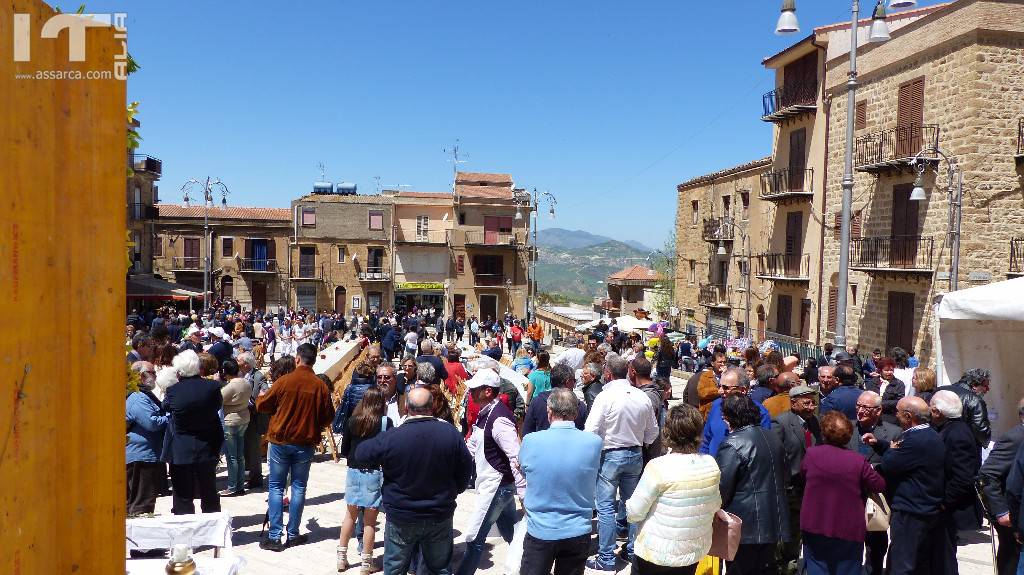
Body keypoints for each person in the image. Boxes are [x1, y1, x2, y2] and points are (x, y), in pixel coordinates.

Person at [355, 387, 474, 575]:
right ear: (432, 407)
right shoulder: (450, 433)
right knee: (439, 569)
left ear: (406, 408)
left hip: (402, 515)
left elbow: (361, 453)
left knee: (395, 569)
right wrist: (454, 490)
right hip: (439, 513)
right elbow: (467, 468)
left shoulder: (393, 437)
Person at [256, 343, 336, 551]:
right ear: (314, 361)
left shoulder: (284, 381)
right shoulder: (320, 386)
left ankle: (275, 536)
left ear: (298, 359)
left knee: (276, 487)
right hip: (305, 443)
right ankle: (293, 533)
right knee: (299, 487)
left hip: (280, 441)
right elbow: (328, 416)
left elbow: (263, 405)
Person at [584, 354, 660, 571]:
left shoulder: (604, 397)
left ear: (607, 374)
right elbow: (652, 433)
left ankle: (606, 557)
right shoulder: (641, 397)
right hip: (635, 454)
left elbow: (591, 431)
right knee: (634, 506)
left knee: (606, 507)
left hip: (610, 455)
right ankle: (632, 551)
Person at [626, 404, 721, 575]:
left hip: (656, 553)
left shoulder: (658, 467)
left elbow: (635, 512)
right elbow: (715, 505)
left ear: (668, 432)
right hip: (691, 551)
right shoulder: (710, 464)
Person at [519, 388, 603, 575]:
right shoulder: (594, 442)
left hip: (541, 530)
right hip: (578, 530)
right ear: (576, 412)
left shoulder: (531, 441)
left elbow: (525, 472)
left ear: (549, 411)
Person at [862, 396, 946, 575]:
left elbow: (890, 465)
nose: (895, 416)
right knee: (919, 561)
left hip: (911, 512)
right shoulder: (930, 434)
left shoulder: (914, 440)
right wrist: (881, 444)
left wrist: (891, 450)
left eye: (897, 412)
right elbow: (901, 455)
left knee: (902, 563)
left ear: (909, 417)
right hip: (924, 510)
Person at [457, 369, 528, 575]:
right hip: (496, 486)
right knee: (513, 534)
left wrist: (523, 492)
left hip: (496, 488)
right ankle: (530, 566)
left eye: (475, 389)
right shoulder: (486, 413)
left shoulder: (499, 419)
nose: (470, 392)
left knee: (474, 537)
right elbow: (473, 446)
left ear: (488, 391)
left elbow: (516, 457)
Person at [800, 412, 886, 575]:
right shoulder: (858, 460)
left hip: (815, 523)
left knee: (817, 566)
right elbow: (879, 485)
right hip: (848, 526)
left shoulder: (812, 455)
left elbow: (804, 475)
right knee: (848, 568)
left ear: (824, 433)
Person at [716, 395, 790, 575]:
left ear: (730, 417)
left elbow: (722, 487)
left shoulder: (732, 444)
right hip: (773, 520)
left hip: (744, 526)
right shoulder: (773, 438)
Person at [338, 386, 394, 573]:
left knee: (350, 516)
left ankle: (341, 557)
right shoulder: (386, 422)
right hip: (374, 473)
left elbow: (344, 449)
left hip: (354, 471)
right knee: (370, 521)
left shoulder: (352, 421)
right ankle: (366, 563)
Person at [160, 350, 223, 515]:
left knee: (182, 495)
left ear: (179, 370)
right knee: (209, 491)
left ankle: (185, 530)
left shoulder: (173, 390)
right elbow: (216, 407)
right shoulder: (213, 387)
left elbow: (166, 407)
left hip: (181, 448)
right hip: (207, 445)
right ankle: (212, 529)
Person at [845, 390, 901, 574]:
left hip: (877, 498)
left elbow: (895, 462)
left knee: (876, 544)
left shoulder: (894, 431)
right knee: (849, 542)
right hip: (850, 495)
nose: (860, 411)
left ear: (878, 411)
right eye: (858, 406)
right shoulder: (846, 428)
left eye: (866, 408)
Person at [930, 390, 983, 571]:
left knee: (945, 559)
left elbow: (963, 477)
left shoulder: (957, 434)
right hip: (945, 507)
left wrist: (944, 503)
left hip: (949, 509)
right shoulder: (949, 429)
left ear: (938, 412)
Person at [772, 384, 821, 572]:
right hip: (788, 488)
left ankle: (791, 563)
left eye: (813, 403)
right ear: (794, 403)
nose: (811, 407)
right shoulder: (781, 423)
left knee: (798, 531)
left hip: (808, 488)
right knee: (786, 533)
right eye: (807, 403)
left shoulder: (814, 422)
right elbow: (776, 456)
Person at [979, 398, 1024, 575]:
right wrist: (1001, 511)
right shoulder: (1016, 437)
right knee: (1011, 556)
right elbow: (987, 474)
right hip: (1011, 511)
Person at [699, 368, 771, 456]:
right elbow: (706, 439)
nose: (720, 391)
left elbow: (762, 447)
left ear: (743, 390)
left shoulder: (760, 412)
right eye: (719, 386)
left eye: (725, 387)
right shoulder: (716, 405)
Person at [126, 361, 167, 517]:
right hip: (141, 456)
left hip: (144, 454)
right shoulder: (138, 398)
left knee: (138, 503)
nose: (155, 376)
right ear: (142, 376)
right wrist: (170, 417)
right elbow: (151, 423)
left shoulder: (142, 395)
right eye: (153, 373)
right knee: (141, 506)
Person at [523, 364, 587, 435]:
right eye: (574, 381)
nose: (574, 384)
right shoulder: (580, 406)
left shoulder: (536, 402)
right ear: (568, 382)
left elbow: (527, 431)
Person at [219, 358, 251, 496]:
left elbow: (218, 399)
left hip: (231, 421)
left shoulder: (230, 386)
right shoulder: (246, 382)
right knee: (240, 455)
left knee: (232, 456)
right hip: (244, 418)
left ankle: (232, 486)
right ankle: (240, 485)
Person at [937, 368, 992, 449]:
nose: (987, 389)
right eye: (985, 386)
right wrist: (985, 443)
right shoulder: (975, 400)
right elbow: (981, 431)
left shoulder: (940, 390)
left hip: (938, 444)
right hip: (962, 449)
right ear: (974, 385)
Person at [238, 351, 269, 489]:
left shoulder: (258, 375)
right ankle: (245, 473)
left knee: (254, 448)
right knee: (243, 446)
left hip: (253, 417)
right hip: (239, 415)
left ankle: (256, 478)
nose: (236, 361)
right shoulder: (238, 373)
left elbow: (265, 390)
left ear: (246, 364)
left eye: (238, 360)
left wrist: (257, 399)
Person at [864, 357, 905, 425]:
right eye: (886, 370)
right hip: (872, 415)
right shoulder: (872, 382)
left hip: (889, 418)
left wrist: (881, 403)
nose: (889, 372)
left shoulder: (899, 384)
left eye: (891, 370)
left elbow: (899, 401)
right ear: (880, 370)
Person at [694, 351, 727, 417]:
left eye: (724, 362)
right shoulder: (705, 376)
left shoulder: (729, 376)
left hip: (725, 411)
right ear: (712, 363)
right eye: (720, 362)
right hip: (709, 412)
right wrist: (718, 391)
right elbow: (701, 392)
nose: (722, 364)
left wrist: (725, 375)